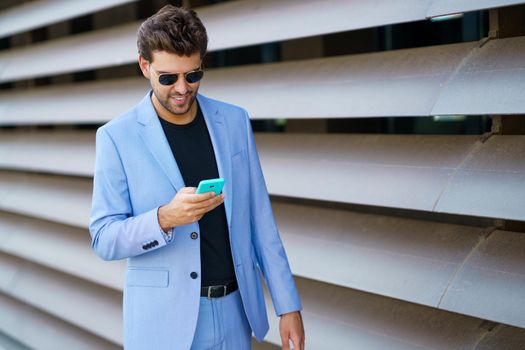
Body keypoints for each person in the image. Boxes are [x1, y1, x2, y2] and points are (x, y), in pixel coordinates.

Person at [89, 5, 304, 350]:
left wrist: (288, 305)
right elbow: (103, 237)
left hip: (236, 313)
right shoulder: (116, 137)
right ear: (145, 66)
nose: (182, 88)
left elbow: (261, 221)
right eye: (168, 77)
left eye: (192, 75)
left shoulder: (234, 122)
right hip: (164, 325)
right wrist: (164, 219)